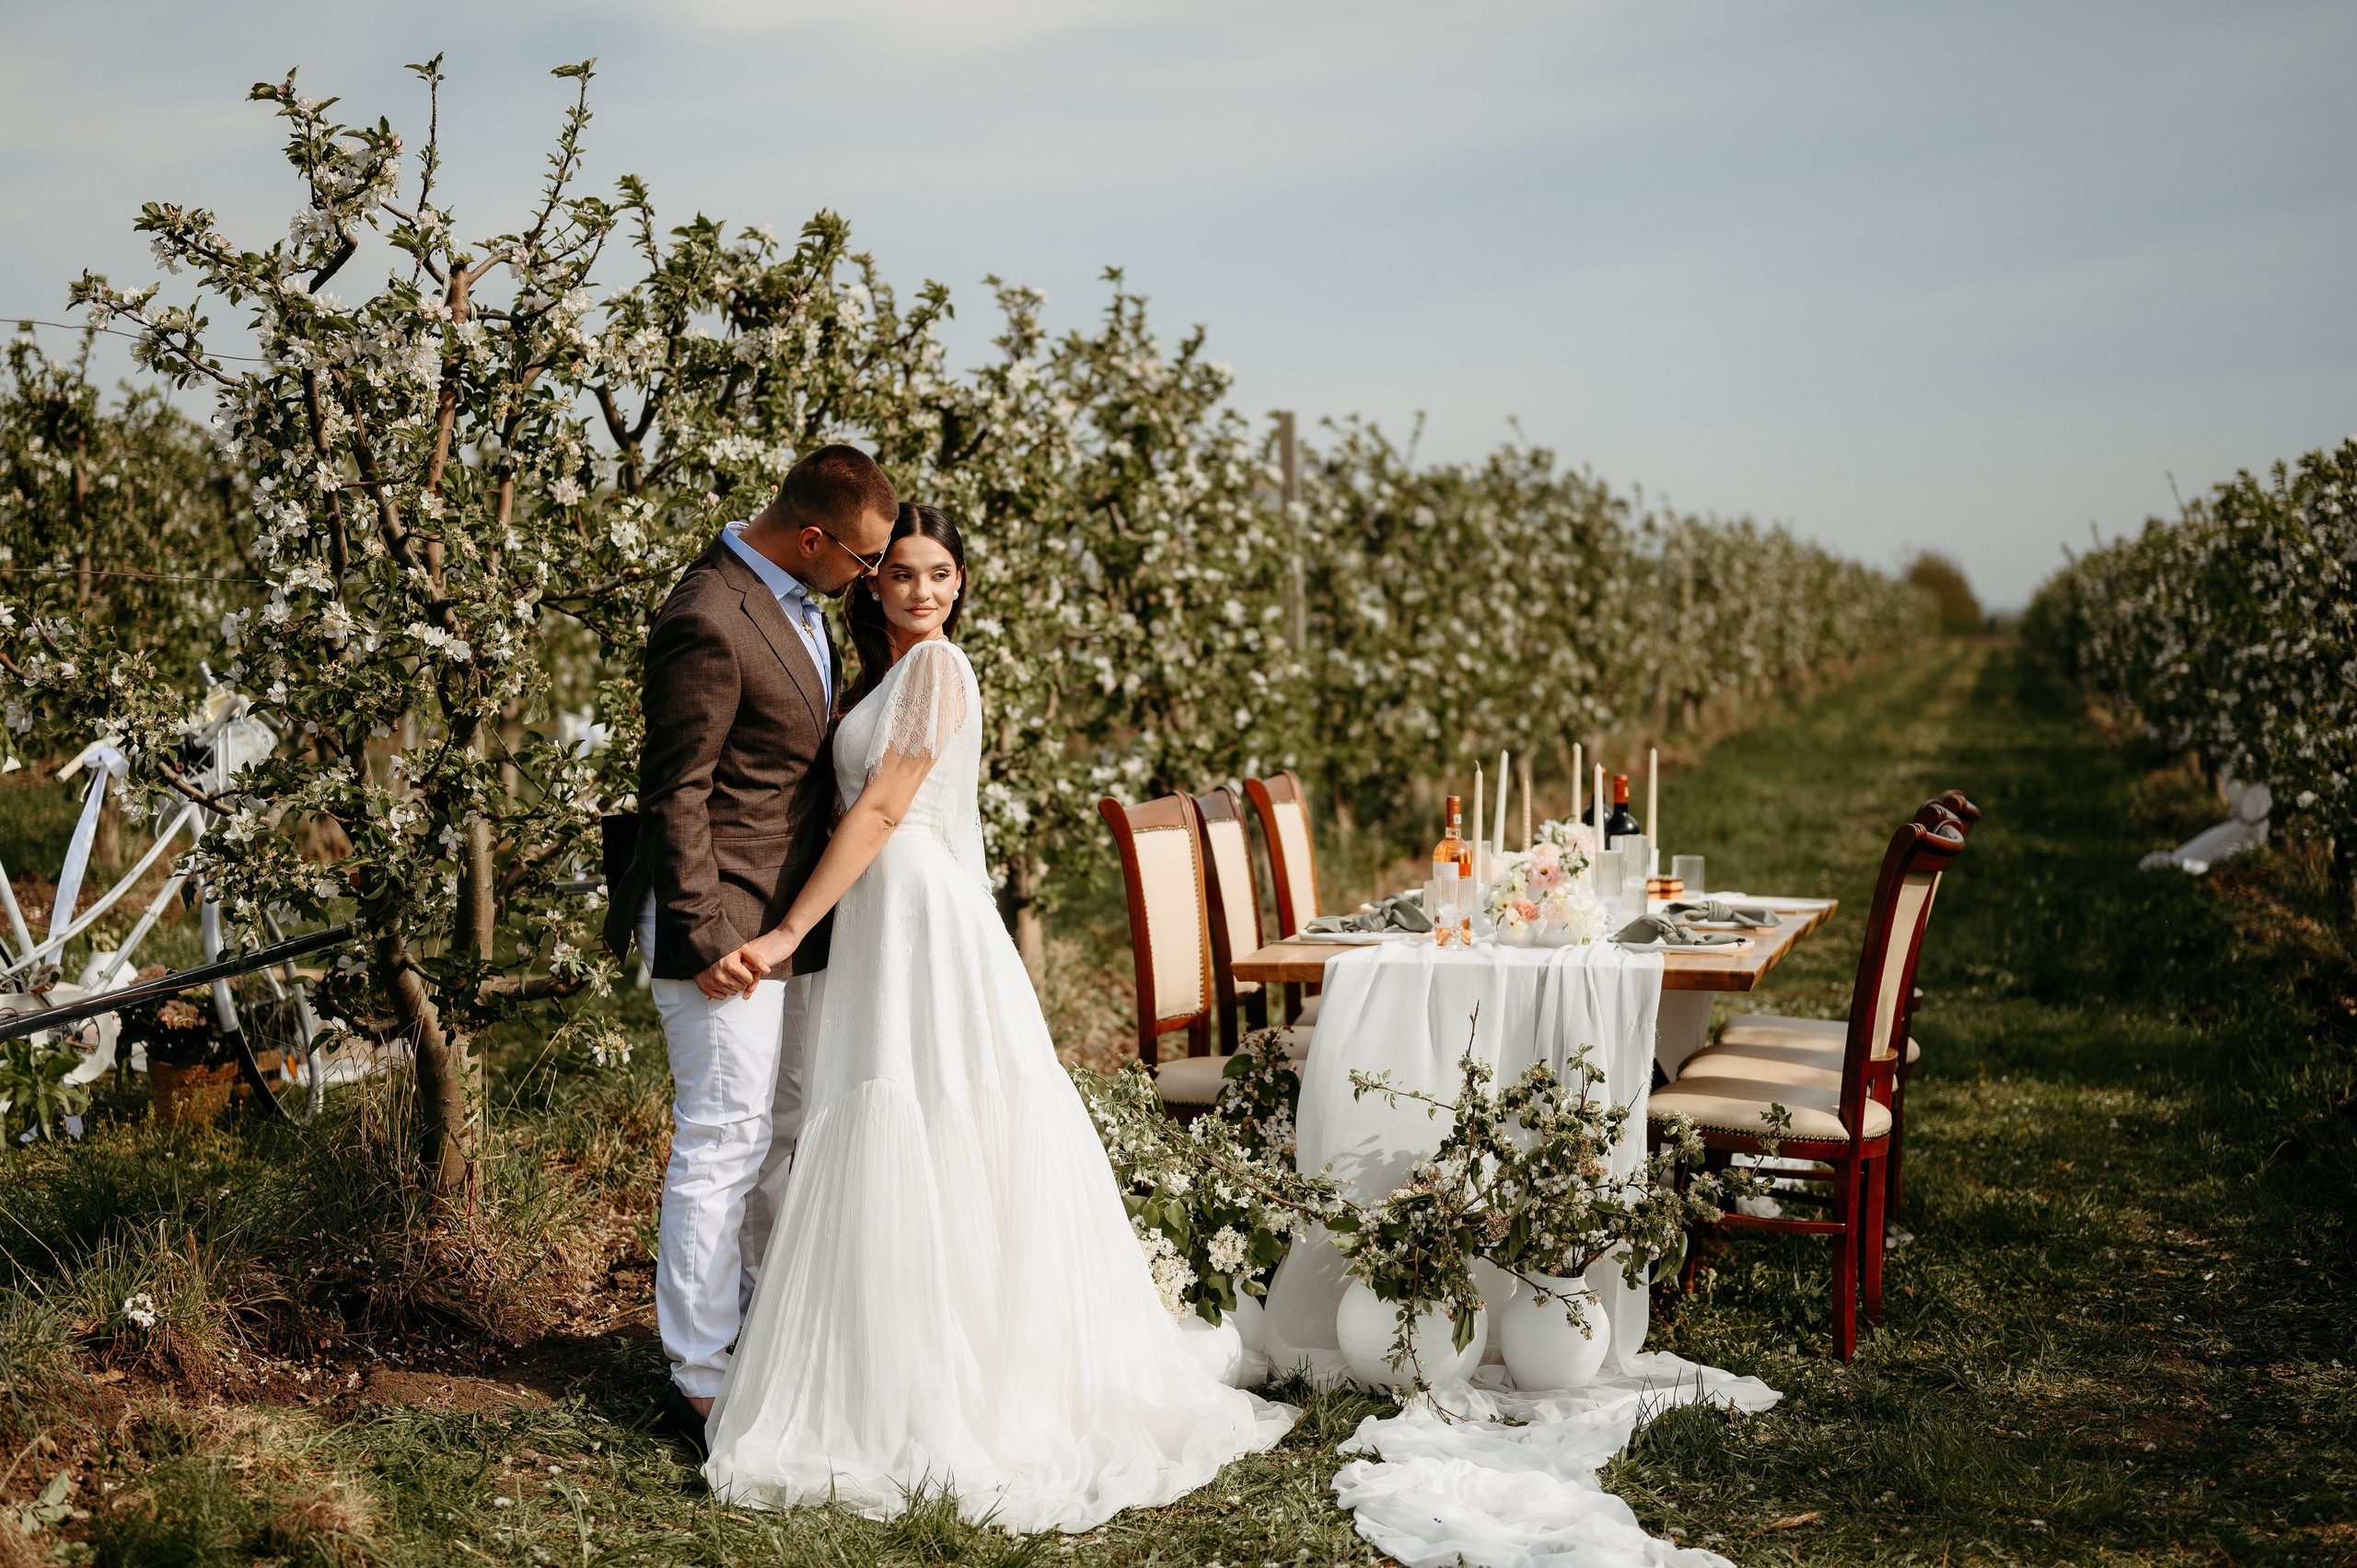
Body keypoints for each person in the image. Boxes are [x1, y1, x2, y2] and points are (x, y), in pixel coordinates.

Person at [701, 505, 1295, 1533]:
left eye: (941, 574)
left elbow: (883, 809)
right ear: (873, 581)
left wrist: (791, 927)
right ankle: (892, 1356)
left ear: (961, 584)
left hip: (920, 915)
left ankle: (969, 1375)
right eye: (902, 573)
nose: (922, 591)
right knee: (887, 1113)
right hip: (877, 917)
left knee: (936, 1113)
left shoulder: (939, 669)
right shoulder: (879, 676)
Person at [599, 445, 898, 1449]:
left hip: (783, 923)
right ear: (811, 538)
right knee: (722, 1139)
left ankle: (759, 1330)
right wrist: (704, 935)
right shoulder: (708, 614)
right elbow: (675, 792)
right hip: (719, 924)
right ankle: (698, 1376)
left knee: (780, 1129)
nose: (871, 577)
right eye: (864, 560)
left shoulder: (801, 602)